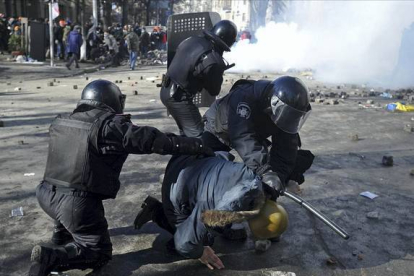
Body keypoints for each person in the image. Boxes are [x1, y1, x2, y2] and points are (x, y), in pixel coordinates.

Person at [28, 80, 214, 276]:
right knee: (98, 253)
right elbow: (151, 140)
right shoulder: (107, 127)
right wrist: (196, 145)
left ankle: (60, 237)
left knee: (69, 208)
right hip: (75, 205)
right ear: (111, 100)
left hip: (45, 194)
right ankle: (49, 258)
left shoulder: (63, 121)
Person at [134, 153, 288, 269]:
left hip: (188, 159)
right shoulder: (216, 211)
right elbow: (184, 244)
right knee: (203, 240)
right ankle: (156, 211)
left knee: (227, 229)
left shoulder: (254, 179)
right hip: (175, 188)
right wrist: (200, 253)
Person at [202, 76, 314, 199]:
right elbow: (242, 137)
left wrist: (276, 178)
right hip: (218, 129)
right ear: (273, 103)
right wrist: (264, 171)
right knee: (205, 169)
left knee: (291, 164)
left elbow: (286, 148)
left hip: (255, 130)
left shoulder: (285, 111)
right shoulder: (244, 97)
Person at [160, 20, 237, 138]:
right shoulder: (214, 60)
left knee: (186, 135)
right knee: (200, 138)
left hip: (166, 90)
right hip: (178, 98)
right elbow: (214, 90)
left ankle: (183, 154)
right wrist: (218, 71)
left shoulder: (192, 40)